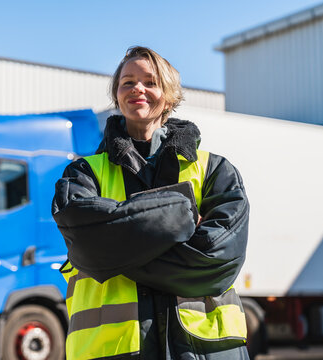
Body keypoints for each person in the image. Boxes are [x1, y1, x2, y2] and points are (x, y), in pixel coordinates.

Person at [52, 46, 250, 360]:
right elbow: (90, 247)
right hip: (115, 351)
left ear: (170, 95)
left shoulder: (214, 169)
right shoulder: (84, 172)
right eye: (127, 82)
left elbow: (218, 262)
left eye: (150, 81)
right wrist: (182, 215)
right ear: (117, 95)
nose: (137, 89)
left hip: (204, 350)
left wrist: (120, 248)